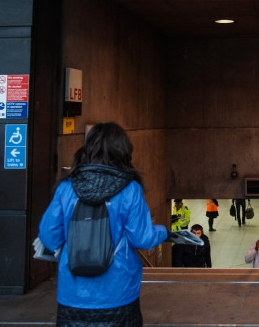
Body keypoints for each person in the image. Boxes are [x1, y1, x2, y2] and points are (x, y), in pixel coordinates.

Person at [38, 122, 169, 326]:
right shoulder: (130, 189)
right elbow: (142, 238)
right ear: (123, 151)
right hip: (119, 291)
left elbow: (48, 235)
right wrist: (163, 232)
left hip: (72, 293)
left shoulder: (66, 186)